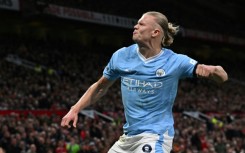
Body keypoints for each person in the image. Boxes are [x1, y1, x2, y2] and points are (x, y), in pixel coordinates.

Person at [61, 11, 228, 153]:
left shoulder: (175, 61)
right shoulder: (121, 56)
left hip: (156, 136)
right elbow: (100, 87)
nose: (135, 27)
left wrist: (213, 71)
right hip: (128, 138)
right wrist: (75, 109)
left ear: (155, 32)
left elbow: (223, 77)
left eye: (141, 24)